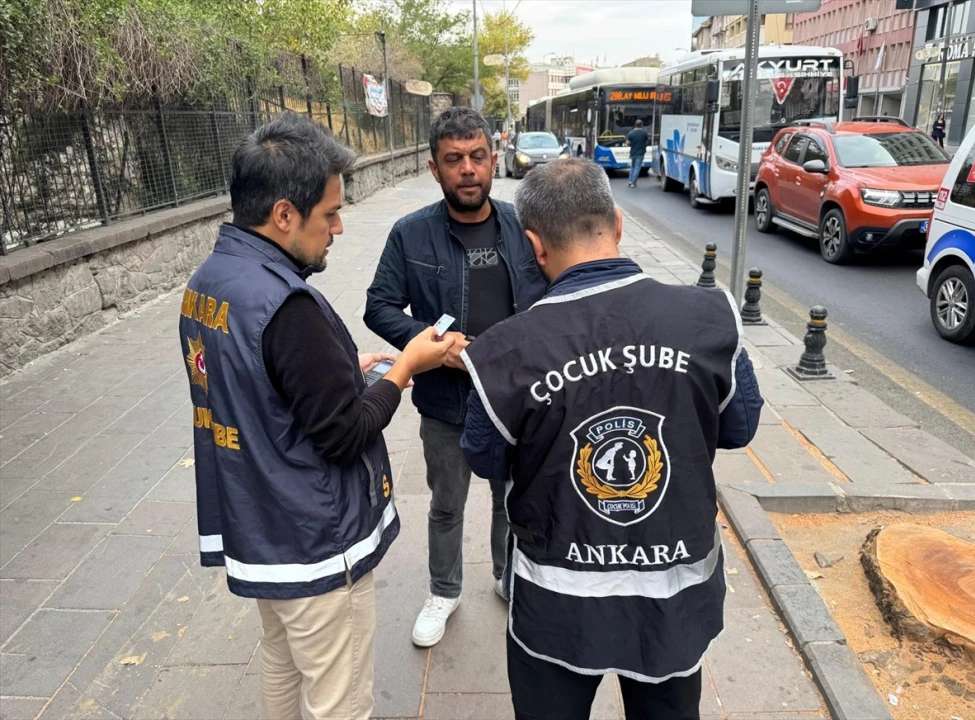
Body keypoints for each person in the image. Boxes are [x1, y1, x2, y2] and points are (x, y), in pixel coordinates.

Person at [460, 158, 764, 720]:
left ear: (534, 246)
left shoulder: (505, 350)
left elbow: (484, 457)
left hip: (557, 605)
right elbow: (740, 427)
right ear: (617, 223)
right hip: (673, 602)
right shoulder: (709, 319)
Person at [179, 112, 454, 720]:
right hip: (313, 539)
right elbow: (344, 433)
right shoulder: (288, 305)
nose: (339, 227)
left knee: (282, 665)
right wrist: (405, 367)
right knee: (339, 703)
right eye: (329, 213)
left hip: (260, 524)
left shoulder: (210, 280)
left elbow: (249, 379)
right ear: (284, 214)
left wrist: (335, 368)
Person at [364, 107, 547, 648]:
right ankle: (444, 592)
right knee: (447, 504)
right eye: (454, 159)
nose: (468, 169)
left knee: (511, 498)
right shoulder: (410, 234)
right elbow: (379, 306)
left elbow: (558, 289)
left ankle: (507, 577)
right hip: (447, 402)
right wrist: (432, 346)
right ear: (433, 167)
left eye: (477, 156)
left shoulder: (524, 226)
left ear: (493, 159)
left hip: (515, 397)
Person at [626, 119, 649, 188]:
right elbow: (647, 143)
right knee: (637, 168)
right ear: (641, 125)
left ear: (635, 125)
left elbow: (628, 143)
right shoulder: (644, 133)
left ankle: (630, 181)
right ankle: (633, 183)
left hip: (633, 153)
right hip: (640, 153)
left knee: (632, 167)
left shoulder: (631, 133)